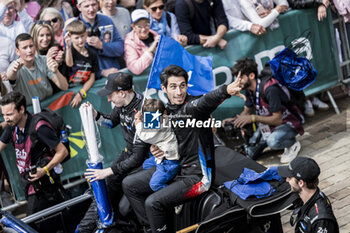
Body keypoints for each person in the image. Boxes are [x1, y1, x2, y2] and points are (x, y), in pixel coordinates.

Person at [122, 64, 243, 233]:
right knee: (129, 184)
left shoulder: (193, 107)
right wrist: (157, 148)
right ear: (163, 88)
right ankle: (152, 228)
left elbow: (207, 100)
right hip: (174, 167)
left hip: (197, 177)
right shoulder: (164, 110)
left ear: (187, 85)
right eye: (173, 86)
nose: (179, 92)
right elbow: (156, 138)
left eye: (182, 85)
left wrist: (226, 90)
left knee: (152, 202)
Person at [78, 72, 150, 233]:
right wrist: (95, 114)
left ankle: (145, 228)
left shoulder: (143, 111)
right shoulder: (122, 105)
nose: (108, 99)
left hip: (146, 160)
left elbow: (138, 157)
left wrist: (107, 171)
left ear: (122, 93)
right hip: (128, 154)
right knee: (106, 185)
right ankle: (93, 225)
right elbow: (110, 122)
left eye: (111, 95)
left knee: (124, 202)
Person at [223, 58, 304, 163]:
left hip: (288, 122)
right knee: (250, 152)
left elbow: (278, 119)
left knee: (273, 142)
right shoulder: (249, 90)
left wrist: (253, 118)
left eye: (240, 78)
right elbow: (246, 112)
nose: (238, 82)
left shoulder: (270, 89)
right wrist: (233, 120)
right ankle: (278, 141)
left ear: (251, 76)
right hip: (268, 126)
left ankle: (292, 144)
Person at [0, 92, 69, 215]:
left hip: (43, 186)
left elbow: (62, 151)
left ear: (21, 109)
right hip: (29, 184)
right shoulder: (12, 125)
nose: (6, 119)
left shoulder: (40, 127)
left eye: (9, 114)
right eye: (4, 115)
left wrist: (44, 170)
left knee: (31, 225)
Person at [277, 157, 339, 233]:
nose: (287, 180)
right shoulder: (305, 195)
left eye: (290, 177)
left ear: (301, 183)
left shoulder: (321, 221)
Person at [7, 33, 68, 105]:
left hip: (49, 104)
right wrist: (14, 70)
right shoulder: (15, 66)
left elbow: (65, 87)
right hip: (29, 109)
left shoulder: (43, 60)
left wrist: (56, 72)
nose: (29, 50)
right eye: (25, 48)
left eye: (31, 46)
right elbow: (11, 76)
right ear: (17, 51)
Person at [134, 99, 180, 192]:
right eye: (149, 117)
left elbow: (145, 136)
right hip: (161, 157)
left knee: (154, 185)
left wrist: (137, 121)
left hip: (169, 162)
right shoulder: (164, 118)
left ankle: (174, 193)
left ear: (164, 113)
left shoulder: (162, 127)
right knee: (146, 165)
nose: (153, 120)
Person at [72, 0, 124, 78]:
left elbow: (120, 48)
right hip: (90, 80)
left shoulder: (107, 20)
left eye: (94, 5)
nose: (91, 9)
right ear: (79, 7)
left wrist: (102, 46)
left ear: (99, 4)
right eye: (86, 6)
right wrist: (101, 72)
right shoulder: (73, 27)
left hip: (113, 73)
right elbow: (72, 62)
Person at [64, 20, 98, 108]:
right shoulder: (69, 52)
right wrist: (68, 46)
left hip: (83, 90)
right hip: (68, 93)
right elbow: (69, 64)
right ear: (70, 38)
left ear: (86, 34)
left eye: (82, 36)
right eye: (76, 38)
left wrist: (81, 93)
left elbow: (92, 78)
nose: (80, 40)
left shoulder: (93, 54)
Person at [124, 9, 160, 75]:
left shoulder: (156, 36)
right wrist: (150, 50)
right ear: (133, 27)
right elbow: (135, 69)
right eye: (139, 26)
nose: (143, 29)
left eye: (146, 25)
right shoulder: (129, 42)